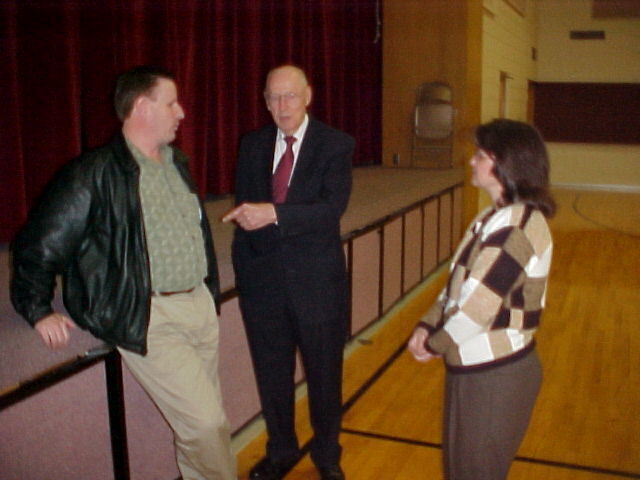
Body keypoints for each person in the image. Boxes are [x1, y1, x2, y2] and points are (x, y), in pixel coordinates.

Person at [10, 66, 237, 480]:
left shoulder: (175, 164)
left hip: (199, 307)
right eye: (171, 103)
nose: (181, 112)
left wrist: (206, 290)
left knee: (205, 423)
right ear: (142, 107)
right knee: (206, 424)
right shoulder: (93, 173)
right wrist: (37, 307)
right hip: (149, 316)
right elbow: (39, 243)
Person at [223, 65, 354, 480]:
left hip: (318, 285)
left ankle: (327, 454)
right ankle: (280, 450)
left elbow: (331, 208)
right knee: (273, 377)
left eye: (290, 96)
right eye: (273, 98)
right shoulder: (252, 145)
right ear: (264, 101)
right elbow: (246, 214)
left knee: (324, 376)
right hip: (264, 287)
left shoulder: (335, 145)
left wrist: (274, 213)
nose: (281, 106)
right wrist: (247, 276)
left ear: (308, 95)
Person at [407, 119, 556, 480]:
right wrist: (427, 324)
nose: (471, 161)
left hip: (496, 375)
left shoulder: (516, 226)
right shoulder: (493, 216)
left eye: (480, 155)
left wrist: (435, 343)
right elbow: (456, 287)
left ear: (506, 163)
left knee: (476, 472)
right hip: (472, 368)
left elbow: (476, 310)